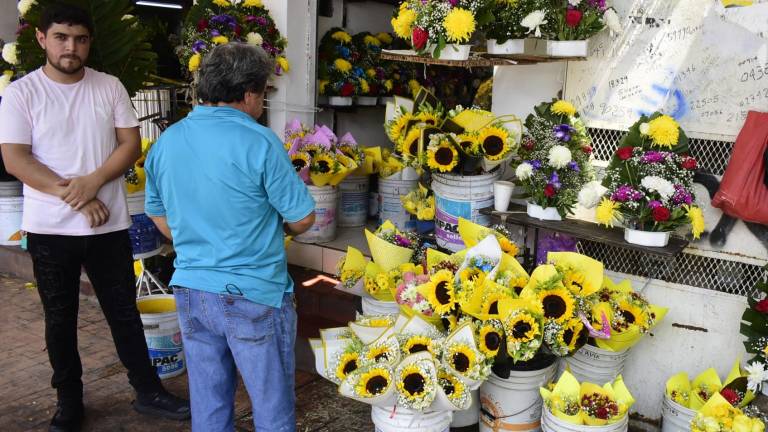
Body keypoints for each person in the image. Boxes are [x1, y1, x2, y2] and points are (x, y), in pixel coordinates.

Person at [0, 4, 190, 431]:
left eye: (80, 39)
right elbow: (15, 159)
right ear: (42, 39)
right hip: (50, 230)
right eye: (61, 37)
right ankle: (69, 402)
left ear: (89, 42)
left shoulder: (108, 86)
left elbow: (130, 145)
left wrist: (93, 182)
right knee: (60, 319)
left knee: (123, 312)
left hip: (109, 226)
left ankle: (148, 391)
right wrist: (79, 197)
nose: (71, 47)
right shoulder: (22, 93)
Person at [143, 42, 315, 431]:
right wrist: (277, 227)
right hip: (254, 293)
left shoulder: (168, 141)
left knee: (209, 403)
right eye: (264, 93)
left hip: (191, 289)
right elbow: (303, 218)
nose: (263, 104)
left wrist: (194, 239)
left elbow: (156, 211)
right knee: (271, 406)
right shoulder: (260, 141)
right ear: (249, 93)